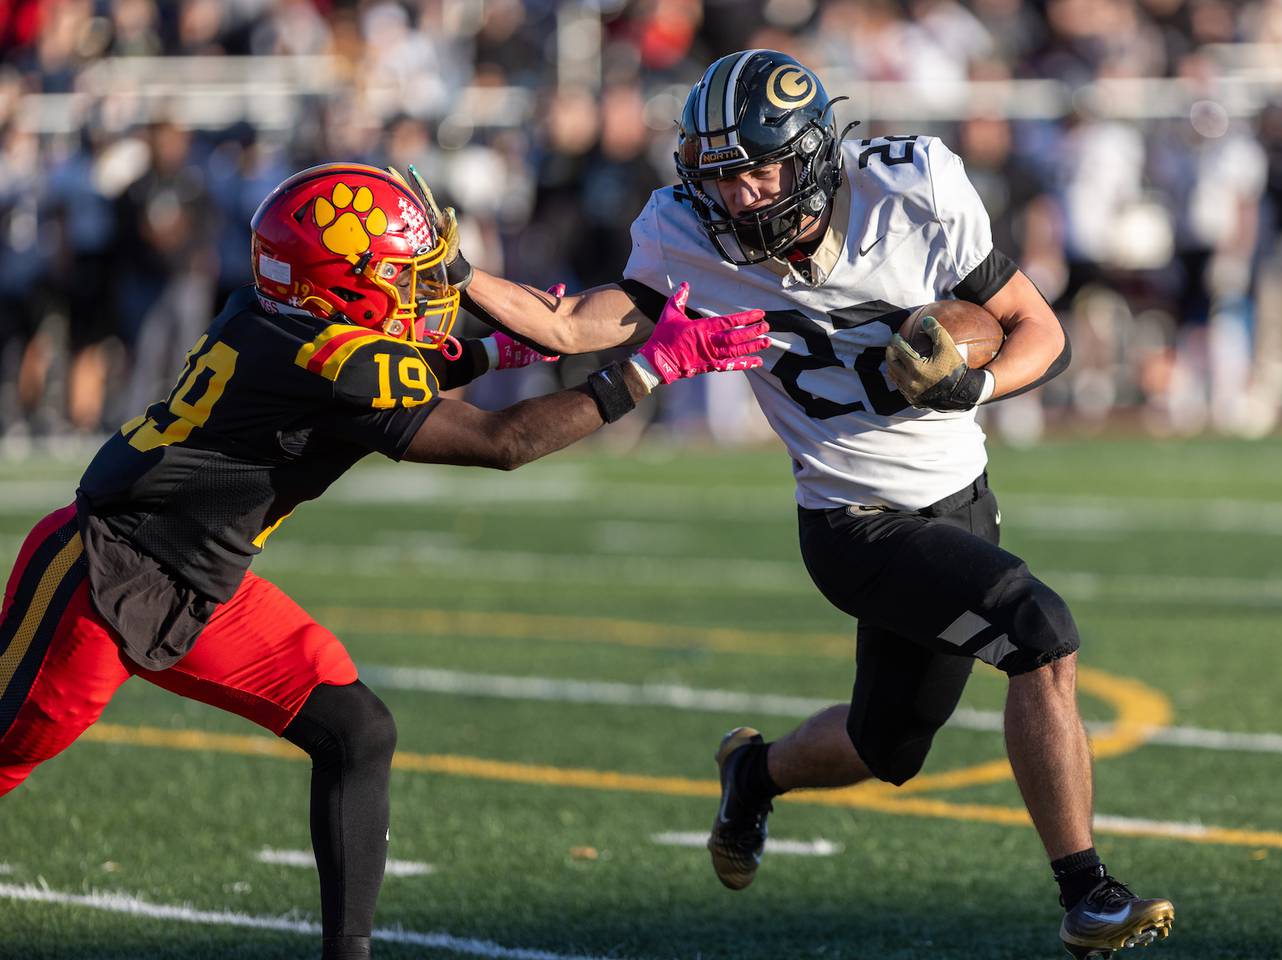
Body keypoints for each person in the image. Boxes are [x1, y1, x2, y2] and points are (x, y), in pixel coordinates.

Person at [453, 50, 1174, 959]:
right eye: (721, 178)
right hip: (850, 519)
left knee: (888, 747)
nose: (744, 197)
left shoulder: (914, 189)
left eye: (760, 169)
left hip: (959, 496)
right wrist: (456, 271)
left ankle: (754, 773)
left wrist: (969, 388)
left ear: (814, 157)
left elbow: (1043, 332)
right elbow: (567, 326)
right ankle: (1088, 892)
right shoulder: (683, 231)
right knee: (1040, 631)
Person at [0, 162, 769, 960]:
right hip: (102, 575)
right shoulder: (334, 356)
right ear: (336, 284)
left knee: (356, 730)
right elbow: (496, 443)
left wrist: (497, 352)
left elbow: (378, 375)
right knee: (7, 754)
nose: (424, 286)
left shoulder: (273, 314)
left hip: (205, 584)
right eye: (404, 273)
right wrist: (648, 370)